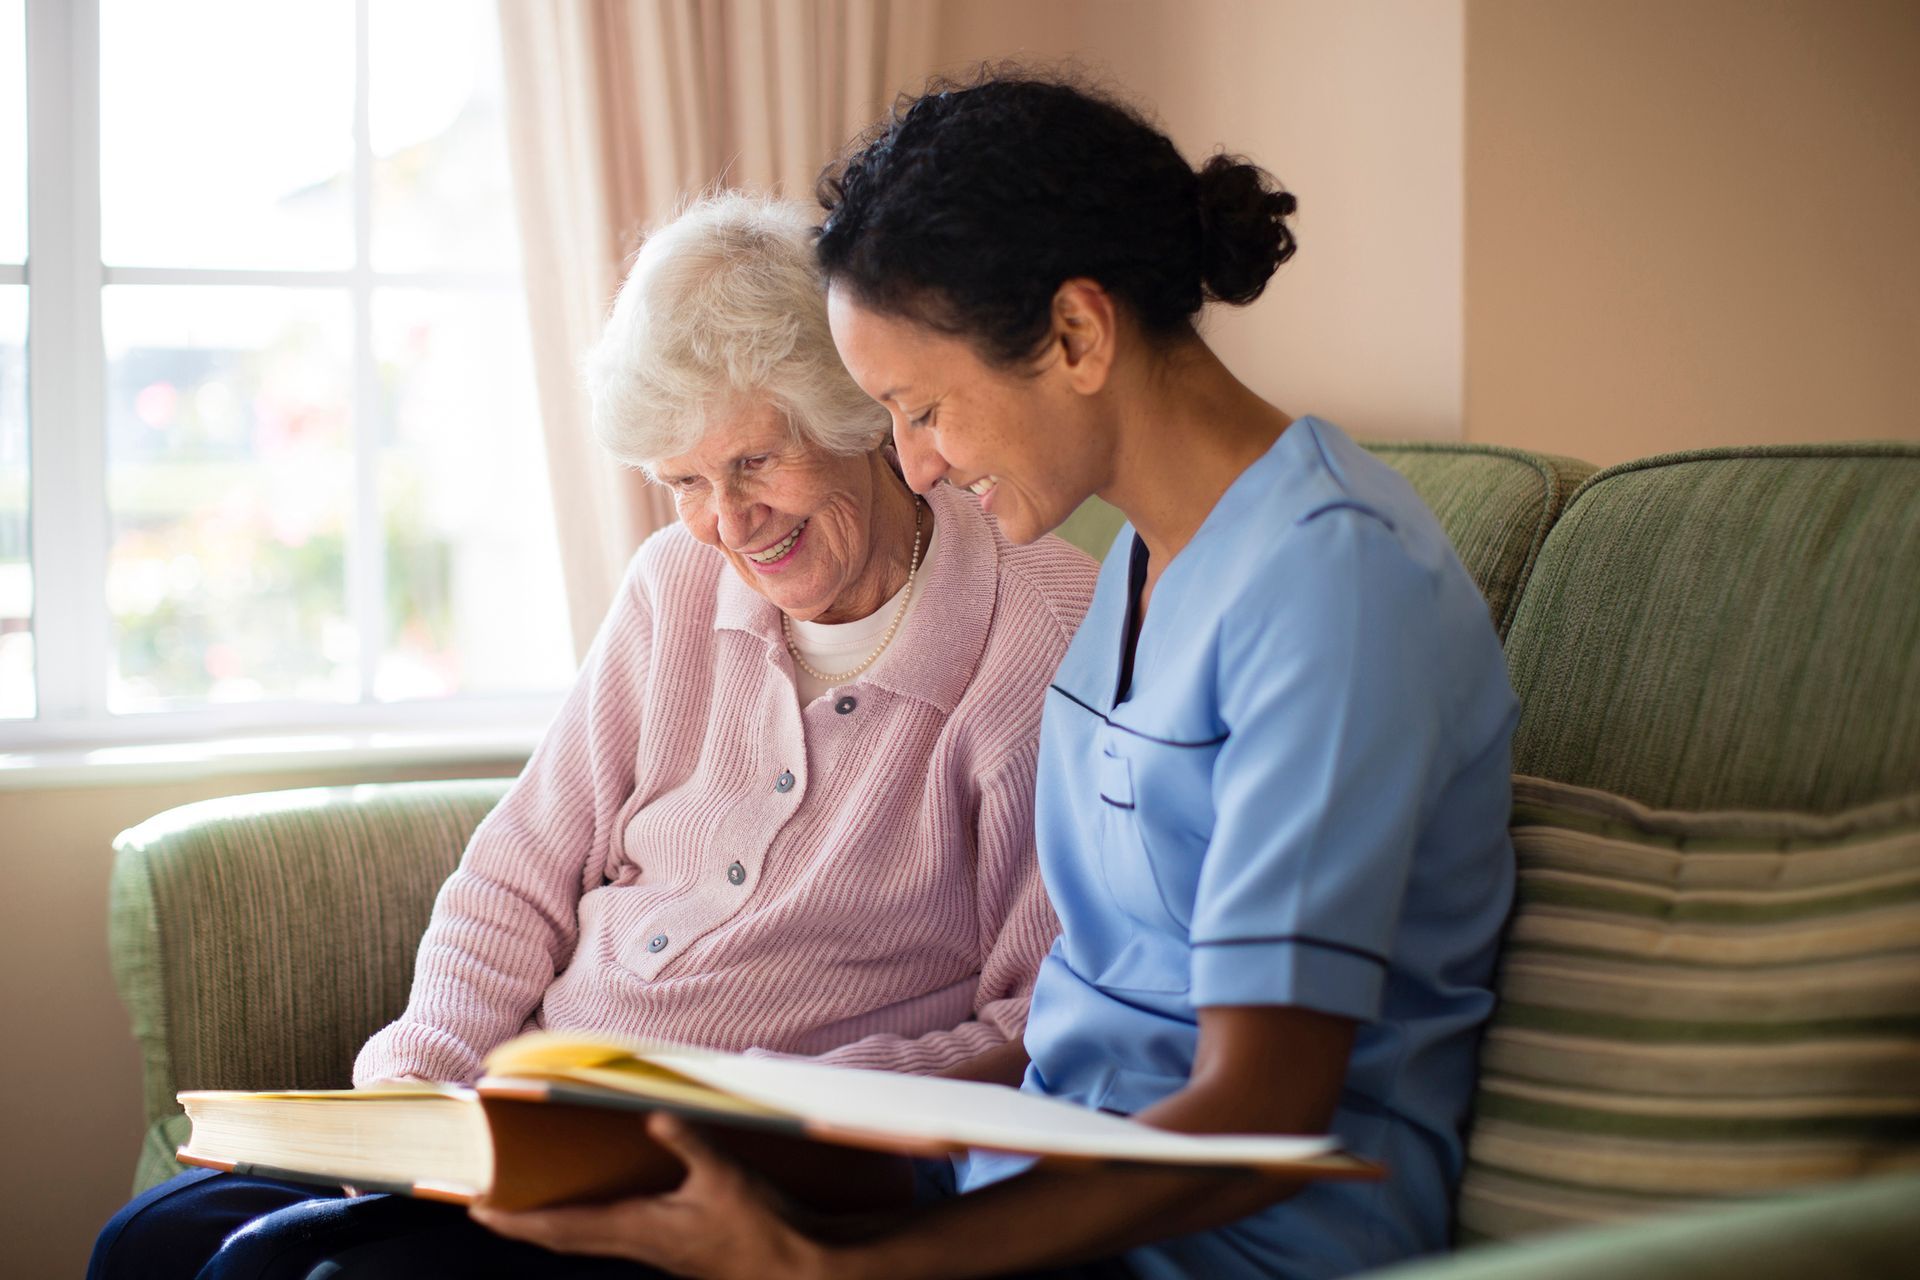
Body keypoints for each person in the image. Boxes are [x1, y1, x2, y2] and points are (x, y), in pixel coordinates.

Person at [473, 75, 1519, 1280]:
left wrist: (845, 1266)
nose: (912, 464)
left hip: (1220, 1249)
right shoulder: (1145, 560)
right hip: (1014, 1193)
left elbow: (1258, 1120)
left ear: (1076, 334)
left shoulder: (1335, 588)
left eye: (921, 410)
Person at [89, 193, 1098, 1280]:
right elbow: (517, 874)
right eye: (683, 484)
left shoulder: (1039, 632)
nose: (728, 522)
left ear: (856, 411)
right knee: (151, 1239)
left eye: (753, 462)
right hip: (544, 1121)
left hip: (759, 1175)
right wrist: (413, 1092)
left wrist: (778, 1108)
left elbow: (1038, 1020)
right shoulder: (676, 583)